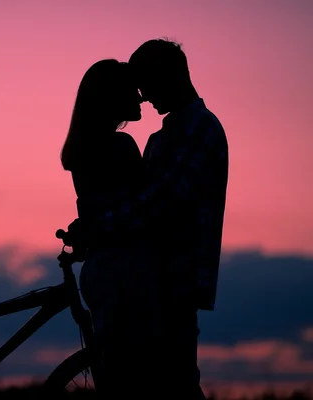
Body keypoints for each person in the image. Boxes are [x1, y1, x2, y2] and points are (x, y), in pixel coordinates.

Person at [70, 39, 229, 399]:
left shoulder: (197, 130)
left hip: (175, 280)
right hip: (154, 282)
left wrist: (99, 227)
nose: (143, 96)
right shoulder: (166, 136)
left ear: (169, 77)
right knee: (160, 385)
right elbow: (143, 203)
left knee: (174, 384)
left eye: (147, 83)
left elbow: (163, 202)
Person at [60, 58, 161, 399]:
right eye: (132, 90)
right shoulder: (121, 147)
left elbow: (96, 211)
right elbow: (146, 209)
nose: (142, 97)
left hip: (100, 270)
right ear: (113, 97)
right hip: (128, 271)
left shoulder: (82, 153)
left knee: (114, 376)